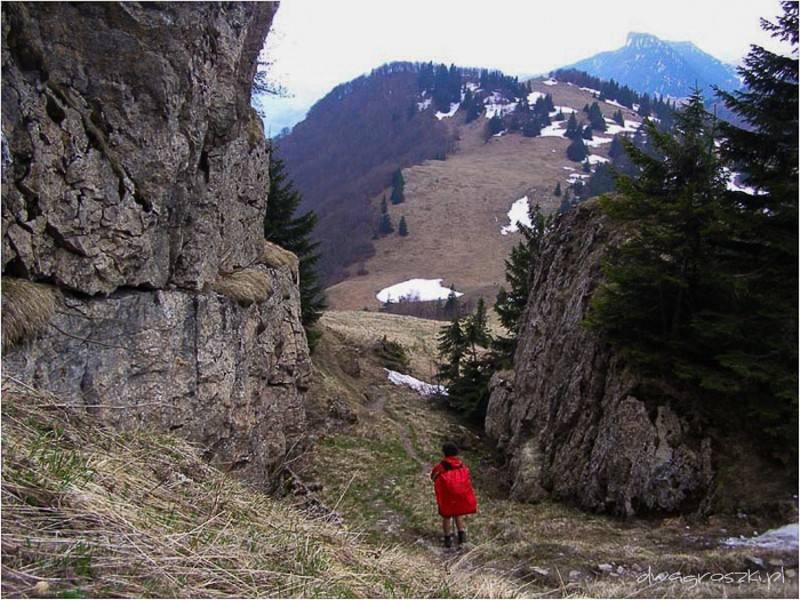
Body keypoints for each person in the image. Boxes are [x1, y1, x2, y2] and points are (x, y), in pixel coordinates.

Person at [430, 441, 477, 548]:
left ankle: (447, 539)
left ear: (444, 452)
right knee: (458, 514)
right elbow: (467, 476)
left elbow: (433, 477)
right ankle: (461, 537)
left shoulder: (441, 466)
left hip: (447, 495)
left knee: (446, 516)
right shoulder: (461, 465)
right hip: (460, 494)